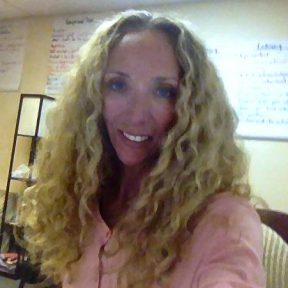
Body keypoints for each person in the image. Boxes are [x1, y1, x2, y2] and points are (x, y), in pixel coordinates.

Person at [21, 10, 266, 288]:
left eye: (164, 91)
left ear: (191, 107)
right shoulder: (80, 196)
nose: (137, 114)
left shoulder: (224, 222)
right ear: (93, 98)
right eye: (118, 85)